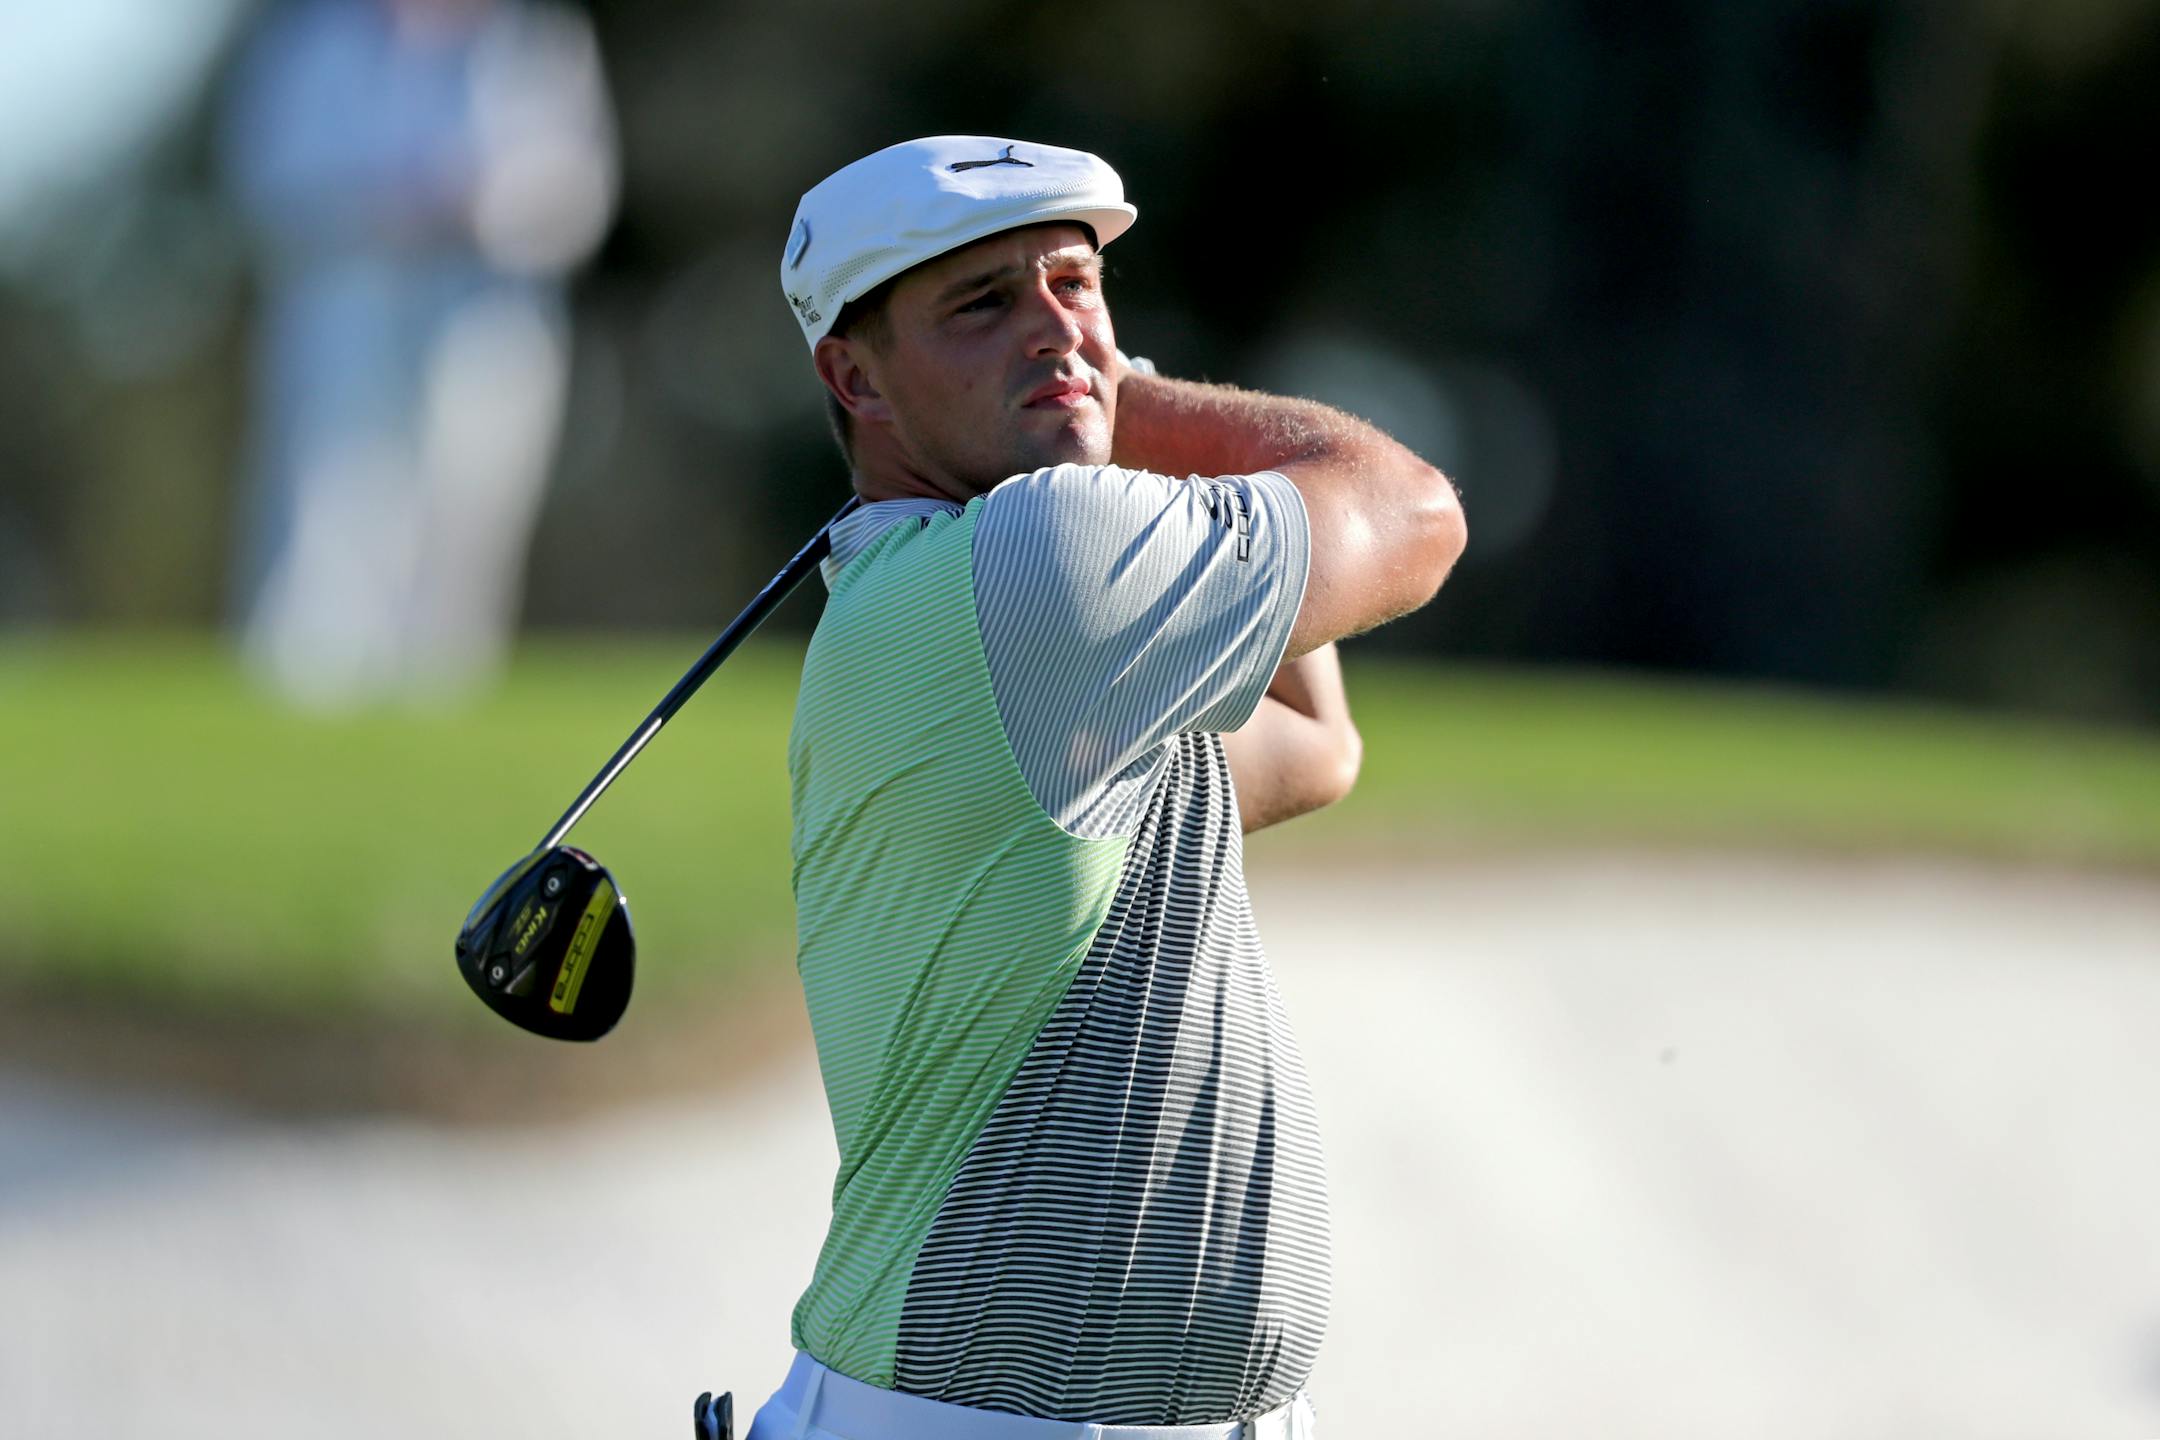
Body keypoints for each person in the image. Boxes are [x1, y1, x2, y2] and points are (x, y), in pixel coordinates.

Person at [753, 137, 1465, 1440]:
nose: (1054, 330)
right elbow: (1415, 513)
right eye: (984, 304)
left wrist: (1078, 399)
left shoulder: (1017, 629)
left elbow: (1313, 746)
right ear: (854, 378)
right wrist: (1123, 400)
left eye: (1075, 285)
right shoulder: (1033, 567)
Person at [220, 0, 616, 705]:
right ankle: (306, 693)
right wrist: (386, 202)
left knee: (472, 501)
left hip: (489, 313)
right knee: (334, 497)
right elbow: (271, 181)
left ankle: (440, 694)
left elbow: (579, 191)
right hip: (349, 297)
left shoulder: (538, 43)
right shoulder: (314, 41)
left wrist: (488, 202)